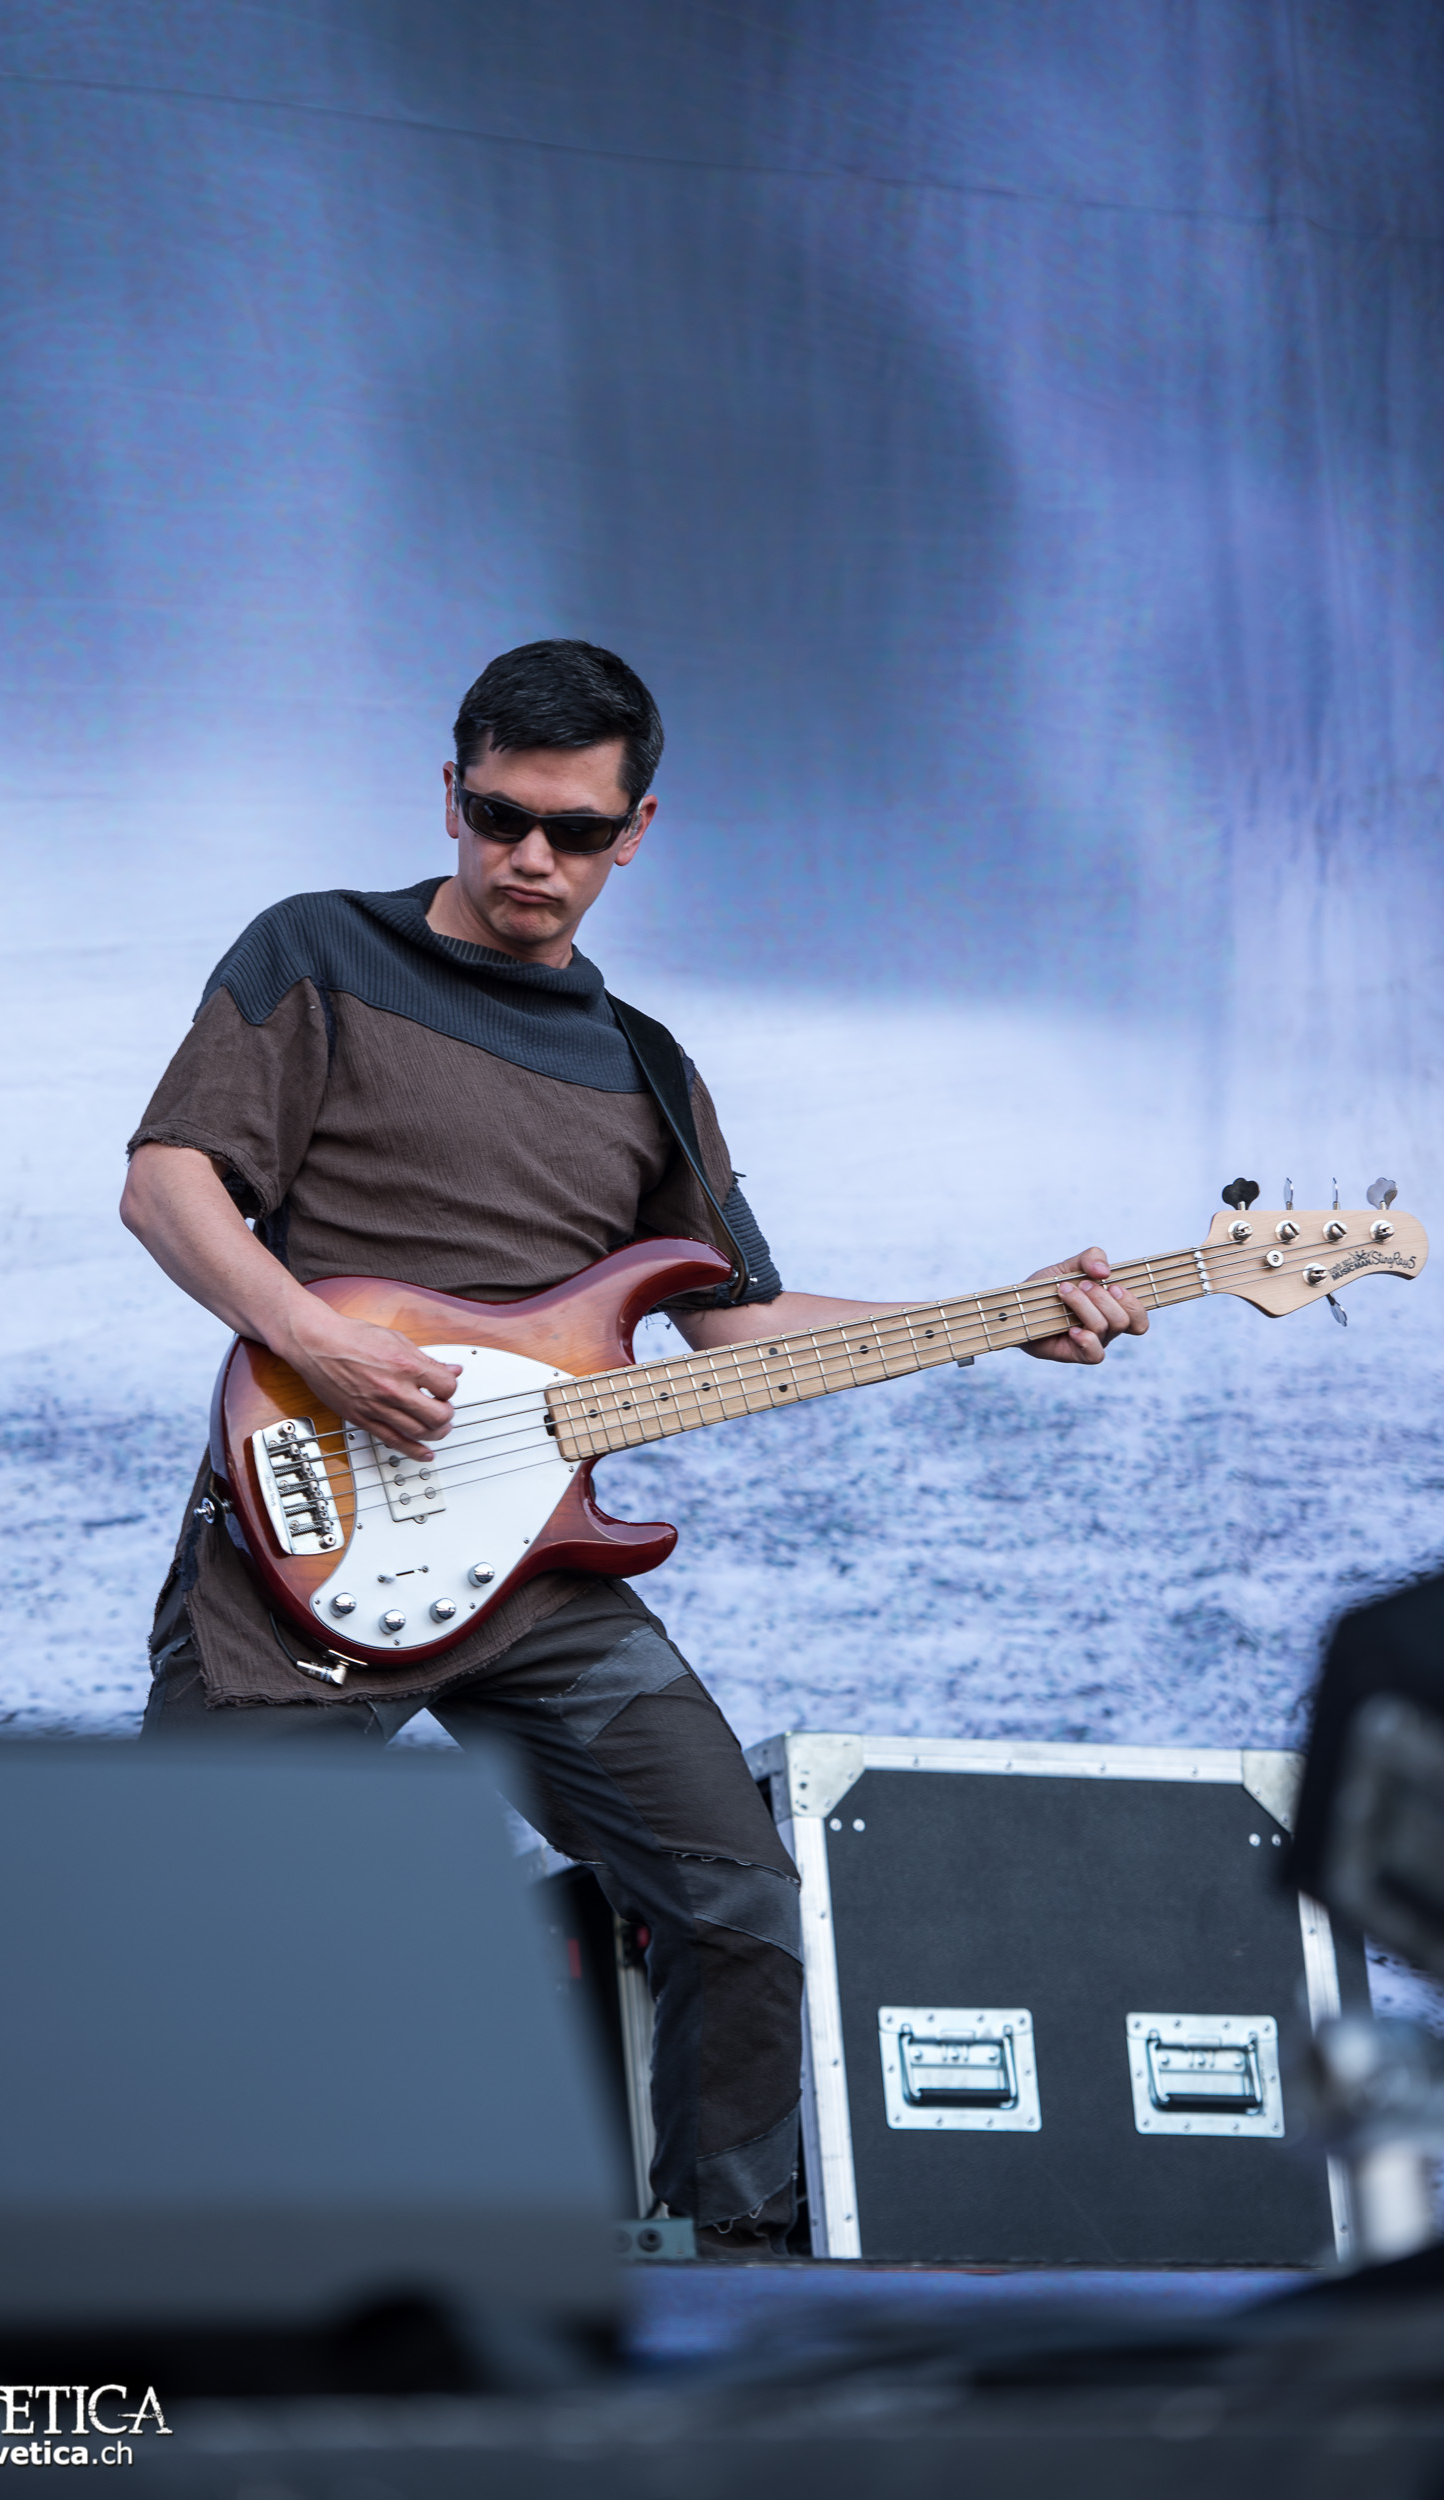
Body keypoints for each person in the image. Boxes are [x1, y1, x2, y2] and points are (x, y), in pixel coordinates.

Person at [120, 639, 1147, 2257]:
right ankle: (165, 2272)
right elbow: (168, 1183)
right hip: (303, 1538)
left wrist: (1000, 1317)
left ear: (636, 829)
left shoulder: (648, 1071)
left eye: (575, 830)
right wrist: (316, 1339)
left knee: (740, 1905)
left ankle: (727, 2275)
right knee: (188, 1926)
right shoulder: (315, 952)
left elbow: (733, 1327)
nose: (530, 857)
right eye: (498, 815)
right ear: (448, 795)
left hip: (537, 1574)